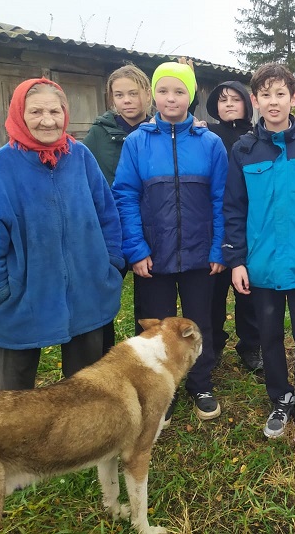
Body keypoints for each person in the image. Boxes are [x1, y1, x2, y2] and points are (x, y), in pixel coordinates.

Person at [0, 78, 124, 391]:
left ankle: (84, 437)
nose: (48, 120)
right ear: (19, 115)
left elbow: (106, 212)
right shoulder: (1, 166)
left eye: (55, 111)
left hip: (86, 287)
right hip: (24, 292)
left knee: (88, 387)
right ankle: (15, 439)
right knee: (14, 395)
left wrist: (110, 262)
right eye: (36, 111)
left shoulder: (79, 156)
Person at [223, 63, 295, 451]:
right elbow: (233, 209)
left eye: (281, 94)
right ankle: (280, 398)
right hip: (261, 266)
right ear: (255, 101)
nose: (273, 102)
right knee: (268, 335)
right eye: (265, 95)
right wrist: (237, 260)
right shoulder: (243, 151)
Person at [113, 62, 228, 422]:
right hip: (153, 255)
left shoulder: (211, 143)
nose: (171, 98)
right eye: (163, 91)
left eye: (179, 91)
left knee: (199, 323)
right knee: (153, 324)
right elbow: (126, 196)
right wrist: (136, 249)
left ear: (190, 96)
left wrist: (217, 247)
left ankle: (200, 382)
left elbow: (222, 199)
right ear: (154, 96)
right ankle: (156, 386)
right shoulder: (137, 142)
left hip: (200, 254)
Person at [84, 64, 153, 354]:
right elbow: (84, 175)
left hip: (148, 228)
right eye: (119, 94)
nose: (126, 100)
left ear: (147, 95)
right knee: (102, 295)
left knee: (148, 300)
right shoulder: (99, 135)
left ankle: (144, 358)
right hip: (110, 230)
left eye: (133, 93)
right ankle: (102, 358)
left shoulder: (158, 130)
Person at [205, 80, 262, 373]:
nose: (228, 104)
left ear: (247, 104)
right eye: (222, 99)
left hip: (246, 221)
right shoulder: (206, 134)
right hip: (215, 222)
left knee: (246, 291)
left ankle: (251, 345)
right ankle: (213, 345)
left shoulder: (255, 138)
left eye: (235, 99)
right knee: (214, 292)